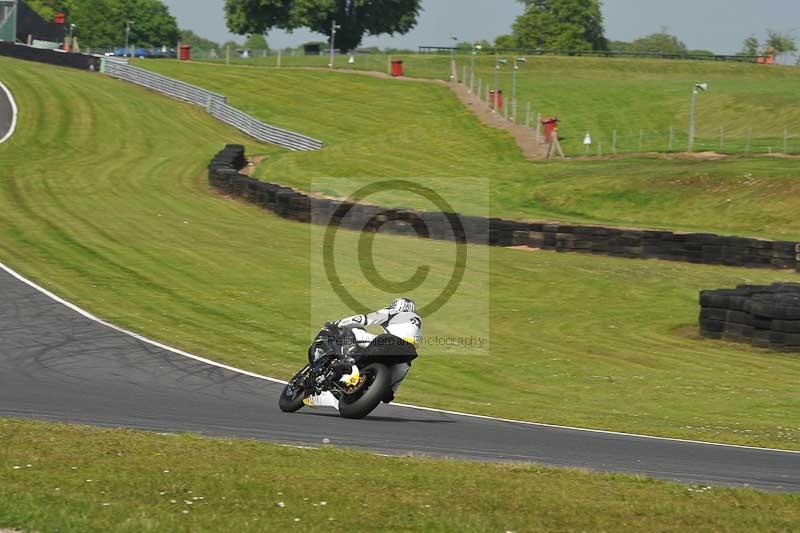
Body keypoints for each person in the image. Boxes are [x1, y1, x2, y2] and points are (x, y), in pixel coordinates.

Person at [304, 298, 422, 409]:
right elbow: (387, 398)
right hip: (408, 355)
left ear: (396, 306)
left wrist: (337, 323)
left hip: (388, 342)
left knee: (353, 330)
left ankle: (348, 359)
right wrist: (386, 392)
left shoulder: (393, 312)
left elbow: (363, 319)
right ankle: (354, 384)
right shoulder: (417, 324)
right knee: (389, 390)